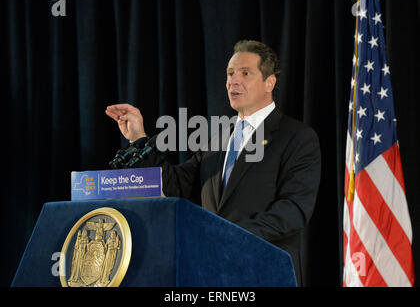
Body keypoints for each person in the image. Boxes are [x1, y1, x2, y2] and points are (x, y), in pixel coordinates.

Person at [105, 40, 321, 286]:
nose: (233, 81)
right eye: (230, 74)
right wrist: (139, 138)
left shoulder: (296, 137)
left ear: (269, 83)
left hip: (263, 273)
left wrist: (225, 235)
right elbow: (176, 185)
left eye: (245, 73)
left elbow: (293, 211)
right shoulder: (219, 137)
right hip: (211, 275)